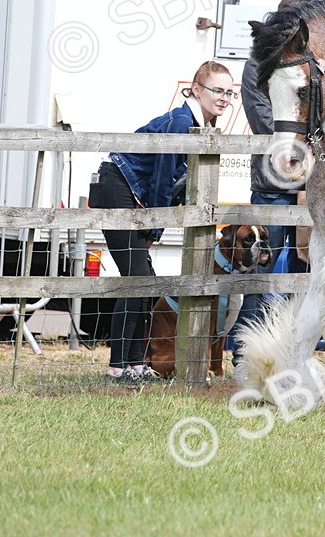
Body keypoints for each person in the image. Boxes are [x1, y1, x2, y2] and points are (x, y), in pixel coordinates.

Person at [90, 60, 237, 384]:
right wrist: (153, 229)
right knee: (137, 282)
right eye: (217, 90)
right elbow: (160, 179)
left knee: (146, 284)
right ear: (196, 89)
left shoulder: (202, 126)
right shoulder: (181, 122)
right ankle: (118, 367)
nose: (224, 97)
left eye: (229, 92)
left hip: (135, 197)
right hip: (118, 188)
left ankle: (137, 363)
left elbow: (176, 184)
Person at [227, 0, 312, 359]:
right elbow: (263, 117)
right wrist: (298, 142)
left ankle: (292, 353)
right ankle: (244, 357)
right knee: (259, 275)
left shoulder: (310, 64)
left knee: (302, 275)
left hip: (310, 187)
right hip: (273, 183)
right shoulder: (257, 63)